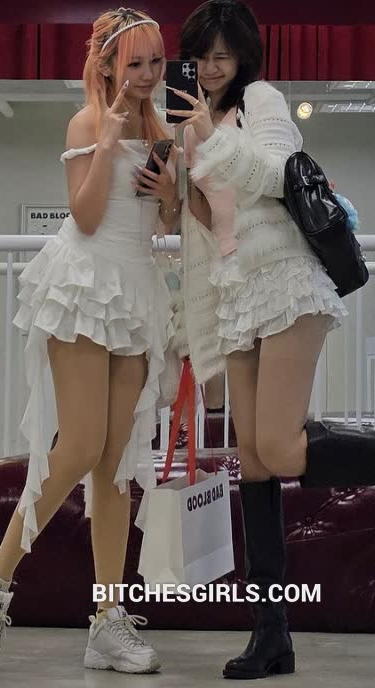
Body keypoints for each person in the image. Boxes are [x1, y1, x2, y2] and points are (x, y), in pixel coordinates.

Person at [0, 7, 181, 674]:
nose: (148, 74)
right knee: (79, 444)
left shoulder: (162, 129)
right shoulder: (87, 122)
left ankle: (107, 619)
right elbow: (83, 217)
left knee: (116, 464)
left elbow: (164, 226)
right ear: (107, 64)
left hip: (135, 291)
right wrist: (108, 142)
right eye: (135, 62)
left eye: (156, 61)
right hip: (84, 284)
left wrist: (171, 193)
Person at [175, 0, 375, 680]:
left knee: (283, 447)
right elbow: (203, 222)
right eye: (201, 56)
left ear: (244, 57)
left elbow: (272, 174)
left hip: (285, 279)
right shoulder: (190, 122)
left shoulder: (261, 101)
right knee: (254, 462)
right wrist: (175, 174)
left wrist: (211, 134)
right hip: (235, 296)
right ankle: (271, 636)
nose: (210, 68)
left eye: (222, 55)